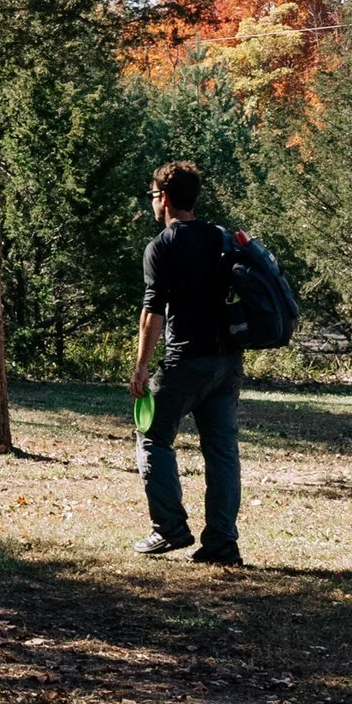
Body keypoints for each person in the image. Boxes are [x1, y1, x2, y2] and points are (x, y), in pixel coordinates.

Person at [129, 160, 242, 565]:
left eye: (153, 196)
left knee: (153, 437)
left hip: (187, 360)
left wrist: (142, 366)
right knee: (222, 451)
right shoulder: (220, 237)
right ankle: (222, 543)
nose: (152, 203)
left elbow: (152, 312)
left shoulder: (163, 245)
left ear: (165, 198)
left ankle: (170, 529)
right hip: (227, 362)